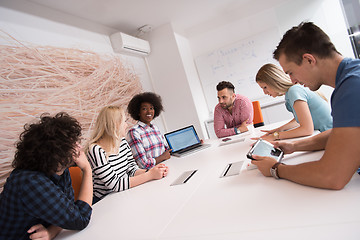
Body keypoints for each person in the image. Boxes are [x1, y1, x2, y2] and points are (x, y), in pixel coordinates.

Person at [251, 22, 360, 189]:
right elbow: (339, 134)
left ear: (309, 59)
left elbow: (332, 176)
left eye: (290, 72)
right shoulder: (351, 76)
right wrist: (294, 146)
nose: (293, 81)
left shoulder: (352, 88)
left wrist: (275, 169)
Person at [0, 112, 93, 240]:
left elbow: (69, 209)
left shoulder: (59, 170)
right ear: (57, 153)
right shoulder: (31, 182)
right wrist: (87, 170)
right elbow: (81, 219)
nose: (79, 147)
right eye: (73, 144)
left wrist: (51, 231)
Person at [86, 106, 168, 204]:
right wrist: (150, 175)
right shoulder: (95, 150)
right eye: (124, 122)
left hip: (123, 194)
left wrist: (153, 171)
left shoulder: (122, 141)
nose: (126, 125)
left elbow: (132, 169)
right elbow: (115, 185)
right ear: (115, 125)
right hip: (104, 201)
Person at [254, 63, 332, 141]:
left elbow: (307, 130)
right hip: (326, 134)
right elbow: (299, 120)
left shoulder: (294, 91)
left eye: (265, 87)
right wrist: (279, 130)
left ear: (274, 82)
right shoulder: (291, 91)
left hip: (331, 135)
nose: (265, 92)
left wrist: (275, 136)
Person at [127, 92, 171, 169]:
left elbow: (167, 150)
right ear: (138, 112)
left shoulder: (155, 128)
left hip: (166, 167)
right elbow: (143, 164)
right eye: (144, 109)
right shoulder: (134, 132)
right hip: (151, 173)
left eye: (151, 108)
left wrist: (194, 144)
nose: (149, 111)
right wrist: (163, 157)